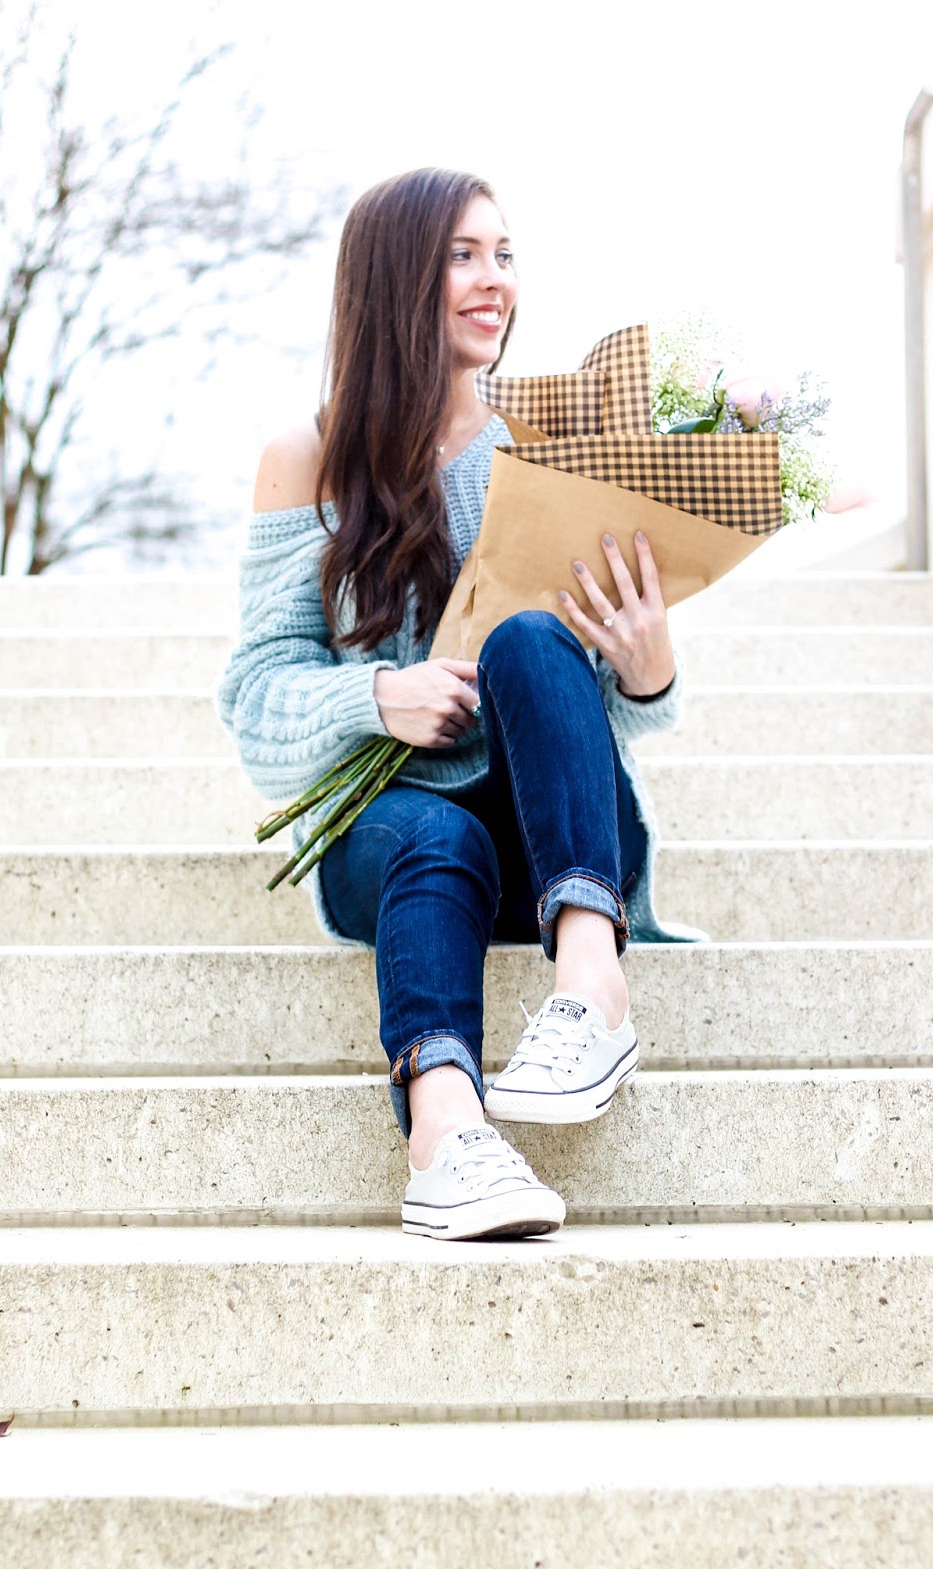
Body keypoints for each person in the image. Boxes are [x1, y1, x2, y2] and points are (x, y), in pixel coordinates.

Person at [218, 168, 700, 1244]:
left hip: (553, 846)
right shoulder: (310, 458)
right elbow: (253, 694)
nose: (496, 281)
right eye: (464, 255)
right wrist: (379, 695)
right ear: (394, 278)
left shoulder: (539, 443)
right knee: (432, 826)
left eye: (506, 254)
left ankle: (589, 987)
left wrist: (645, 669)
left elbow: (606, 724)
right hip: (394, 839)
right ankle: (445, 1136)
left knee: (534, 641)